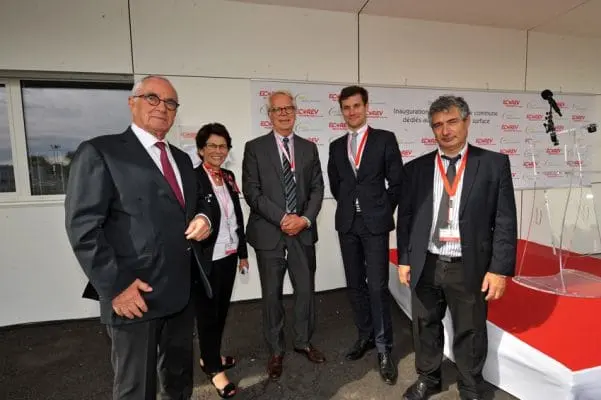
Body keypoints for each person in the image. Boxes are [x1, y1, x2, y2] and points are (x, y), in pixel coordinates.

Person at [65, 75, 212, 400]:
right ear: (132, 103)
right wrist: (116, 287)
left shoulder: (182, 159)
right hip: (134, 295)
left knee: (178, 380)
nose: (162, 107)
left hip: (181, 292)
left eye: (170, 102)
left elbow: (199, 203)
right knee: (136, 389)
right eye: (152, 98)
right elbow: (84, 228)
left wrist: (204, 218)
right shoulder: (101, 152)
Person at [396, 95, 517, 400]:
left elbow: (504, 220)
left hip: (469, 264)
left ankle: (470, 385)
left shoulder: (493, 165)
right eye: (438, 125)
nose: (445, 130)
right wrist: (405, 259)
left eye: (452, 122)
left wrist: (499, 270)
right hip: (427, 262)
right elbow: (406, 218)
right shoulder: (416, 169)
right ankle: (429, 378)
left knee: (470, 329)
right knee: (425, 325)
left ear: (467, 121)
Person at [242, 90, 325, 380]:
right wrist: (282, 218)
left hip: (302, 232)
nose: (284, 113)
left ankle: (303, 341)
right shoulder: (254, 148)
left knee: (305, 292)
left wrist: (304, 219)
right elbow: (252, 191)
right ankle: (276, 350)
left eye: (288, 108)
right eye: (278, 109)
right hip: (269, 233)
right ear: (269, 114)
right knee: (271, 295)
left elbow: (317, 189)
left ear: (295, 111)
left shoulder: (309, 148)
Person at [327, 85, 404, 385]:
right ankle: (365, 335)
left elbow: (396, 183)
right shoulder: (336, 146)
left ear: (366, 107)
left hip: (375, 225)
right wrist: (352, 206)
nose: (352, 112)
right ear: (342, 111)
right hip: (348, 224)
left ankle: (384, 348)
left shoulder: (385, 139)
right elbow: (337, 184)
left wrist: (380, 210)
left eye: (356, 106)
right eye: (346, 107)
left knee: (378, 286)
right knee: (355, 284)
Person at [192, 123, 249, 398]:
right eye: (212, 146)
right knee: (207, 315)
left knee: (221, 312)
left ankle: (210, 356)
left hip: (229, 254)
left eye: (223, 146)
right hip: (206, 259)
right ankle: (214, 368)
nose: (218, 151)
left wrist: (242, 253)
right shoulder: (192, 178)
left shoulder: (228, 176)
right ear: (201, 149)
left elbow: (236, 215)